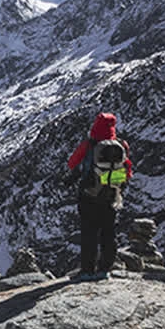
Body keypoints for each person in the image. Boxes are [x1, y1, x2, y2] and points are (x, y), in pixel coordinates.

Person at [66, 112, 134, 280]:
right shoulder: (122, 145)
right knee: (108, 232)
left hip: (89, 194)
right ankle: (104, 270)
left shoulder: (89, 145)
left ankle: (87, 271)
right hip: (111, 194)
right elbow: (128, 172)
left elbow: (72, 163)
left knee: (89, 233)